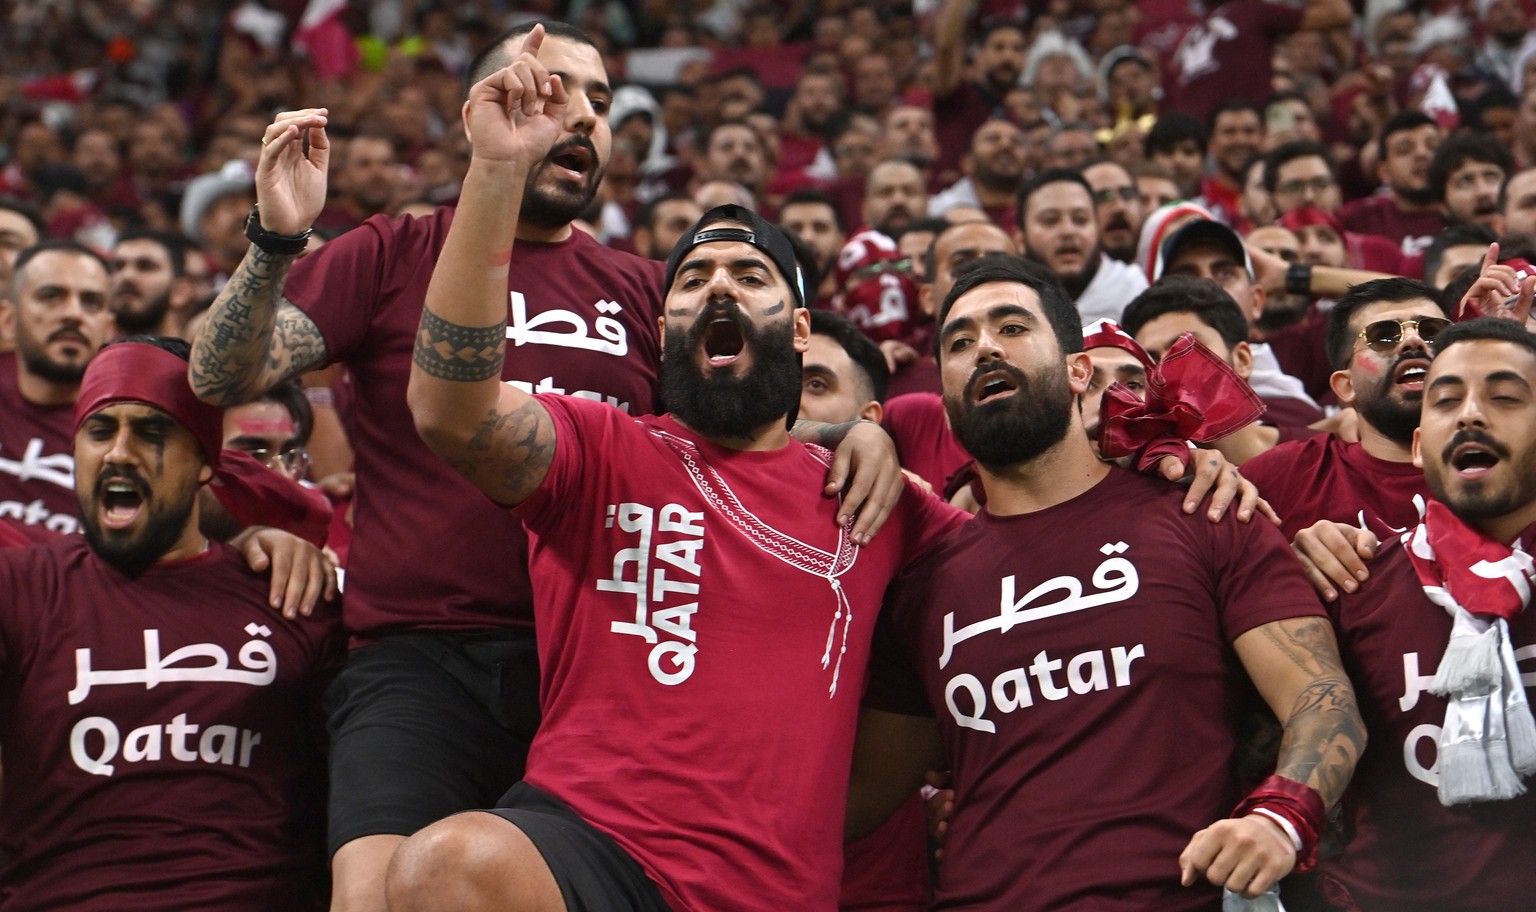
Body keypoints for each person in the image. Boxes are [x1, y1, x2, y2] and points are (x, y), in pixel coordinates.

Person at [188, 21, 895, 911]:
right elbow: (218, 374)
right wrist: (273, 242)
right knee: (377, 894)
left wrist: (848, 436)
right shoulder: (394, 250)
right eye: (553, 90)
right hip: (420, 659)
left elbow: (731, 431)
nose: (585, 117)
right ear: (486, 110)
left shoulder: (646, 290)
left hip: (606, 668)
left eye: (600, 101)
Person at [387, 34, 963, 908]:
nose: (719, 289)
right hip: (592, 844)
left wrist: (1178, 460)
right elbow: (449, 408)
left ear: (801, 330)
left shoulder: (876, 497)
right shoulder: (603, 450)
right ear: (662, 331)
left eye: (751, 275)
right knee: (446, 867)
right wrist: (497, 174)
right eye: (692, 280)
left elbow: (1028, 553)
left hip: (773, 889)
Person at [849, 256, 1363, 911]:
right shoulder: (923, 582)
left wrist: (1280, 817)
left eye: (1011, 326)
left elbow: (1322, 697)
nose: (983, 348)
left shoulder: (1204, 512)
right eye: (958, 342)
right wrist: (836, 432)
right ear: (943, 398)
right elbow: (860, 799)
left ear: (1078, 371)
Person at [0, 336, 342, 910]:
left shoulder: (290, 591)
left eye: (153, 433)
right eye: (100, 432)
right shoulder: (21, 587)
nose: (119, 454)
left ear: (206, 462)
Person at [1315, 317, 1536, 911]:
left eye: (1505, 397)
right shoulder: (1349, 582)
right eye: (1445, 401)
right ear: (1418, 446)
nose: (1469, 415)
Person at [1240, 278, 1452, 590]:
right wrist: (1285, 565)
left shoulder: (1513, 461)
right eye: (1383, 337)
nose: (1413, 342)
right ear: (1345, 386)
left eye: (1432, 332)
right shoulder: (1284, 477)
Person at [0, 241, 115, 540]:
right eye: (51, 297)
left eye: (91, 303)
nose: (74, 314)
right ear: (8, 320)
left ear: (109, 329)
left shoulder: (127, 434)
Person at [1017, 167, 1148, 326]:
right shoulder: (1008, 297)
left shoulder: (1134, 290)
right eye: (1050, 220)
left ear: (1097, 228)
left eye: (1081, 219)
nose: (1068, 231)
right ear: (1020, 239)